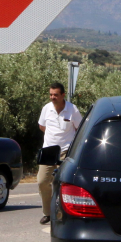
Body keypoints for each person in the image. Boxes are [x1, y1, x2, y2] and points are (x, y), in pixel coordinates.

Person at [36, 82, 83, 225]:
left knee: (65, 183)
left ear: (63, 95)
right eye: (51, 94)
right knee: (42, 181)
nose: (52, 97)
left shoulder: (72, 109)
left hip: (65, 151)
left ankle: (67, 212)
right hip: (49, 151)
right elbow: (42, 126)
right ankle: (48, 213)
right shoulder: (46, 109)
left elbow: (79, 128)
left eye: (56, 95)